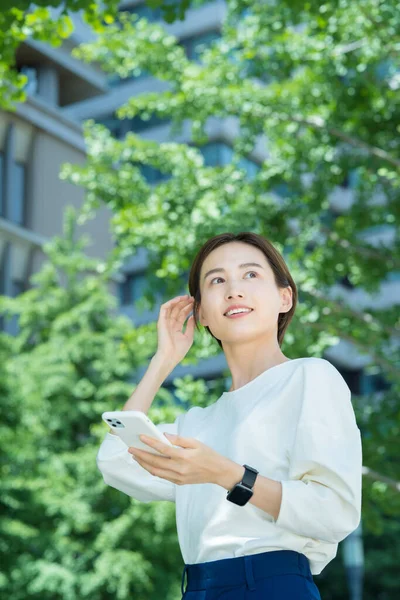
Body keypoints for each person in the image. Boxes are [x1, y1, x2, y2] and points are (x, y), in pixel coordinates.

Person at [96, 232, 363, 599]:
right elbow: (114, 460)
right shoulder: (197, 423)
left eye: (250, 275)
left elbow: (335, 512)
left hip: (274, 584)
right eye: (217, 280)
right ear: (201, 312)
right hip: (199, 588)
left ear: (284, 297)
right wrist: (163, 362)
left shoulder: (309, 377)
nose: (234, 290)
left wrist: (227, 474)